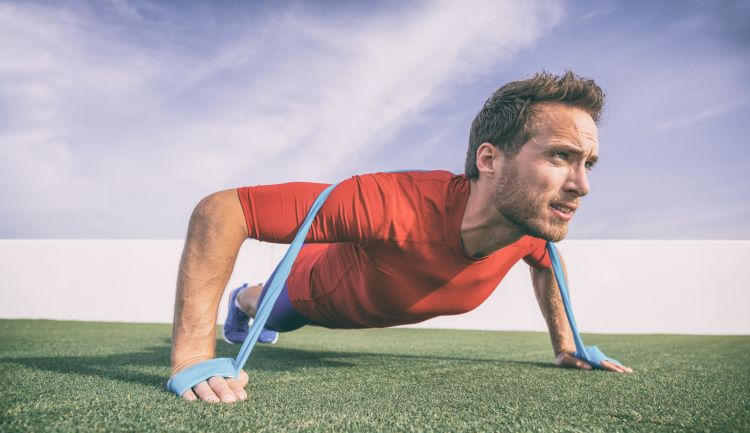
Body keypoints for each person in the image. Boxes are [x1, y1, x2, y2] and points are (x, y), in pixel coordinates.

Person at [170, 71, 634, 403]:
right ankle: (244, 299)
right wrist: (192, 356)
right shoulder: (392, 202)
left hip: (371, 295)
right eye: (560, 156)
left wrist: (566, 346)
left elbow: (546, 263)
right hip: (313, 290)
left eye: (587, 164)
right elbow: (223, 210)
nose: (582, 185)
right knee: (270, 308)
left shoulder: (527, 227)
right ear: (490, 160)